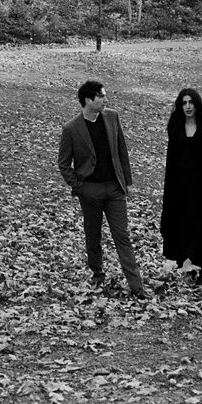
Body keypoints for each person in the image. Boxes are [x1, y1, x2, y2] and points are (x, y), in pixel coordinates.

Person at [58, 80, 148, 300]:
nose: (106, 99)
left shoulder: (112, 117)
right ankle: (97, 274)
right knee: (93, 236)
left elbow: (121, 150)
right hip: (90, 191)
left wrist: (127, 182)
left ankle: (137, 287)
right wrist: (80, 188)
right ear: (88, 100)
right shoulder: (71, 128)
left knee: (122, 236)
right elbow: (63, 163)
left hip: (115, 189)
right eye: (101, 96)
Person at [160, 87, 202, 286]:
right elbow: (172, 160)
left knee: (201, 225)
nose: (187, 107)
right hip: (179, 186)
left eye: (191, 102)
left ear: (197, 104)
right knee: (182, 224)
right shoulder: (175, 127)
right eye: (184, 103)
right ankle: (186, 264)